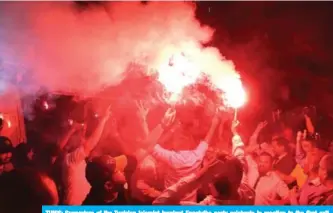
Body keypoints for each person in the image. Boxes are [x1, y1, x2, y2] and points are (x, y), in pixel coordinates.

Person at [150, 110, 220, 202]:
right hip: (190, 203)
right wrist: (215, 123)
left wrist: (166, 127)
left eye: (177, 138)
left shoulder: (173, 158)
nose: (174, 139)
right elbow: (207, 139)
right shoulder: (197, 155)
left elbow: (151, 145)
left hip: (171, 203)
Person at [61, 106, 112, 205]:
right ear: (70, 141)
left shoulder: (75, 160)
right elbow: (91, 143)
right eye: (80, 136)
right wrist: (103, 120)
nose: (83, 139)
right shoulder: (71, 159)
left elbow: (94, 143)